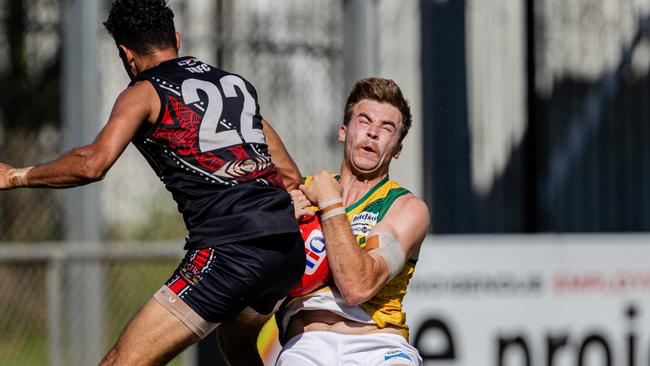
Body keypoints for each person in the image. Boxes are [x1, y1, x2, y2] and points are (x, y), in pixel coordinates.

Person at [0, 1, 306, 365]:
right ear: (176, 38)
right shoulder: (234, 85)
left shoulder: (144, 91)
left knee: (120, 362)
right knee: (237, 347)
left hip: (230, 251)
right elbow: (289, 174)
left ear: (126, 54)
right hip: (286, 248)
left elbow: (92, 164)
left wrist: (15, 176)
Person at [274, 78, 429, 365]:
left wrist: (330, 205)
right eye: (364, 121)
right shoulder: (300, 193)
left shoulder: (406, 207)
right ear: (343, 131)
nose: (372, 133)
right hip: (306, 344)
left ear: (397, 149)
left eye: (387, 128)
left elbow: (357, 287)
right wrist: (278, 219)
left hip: (379, 344)